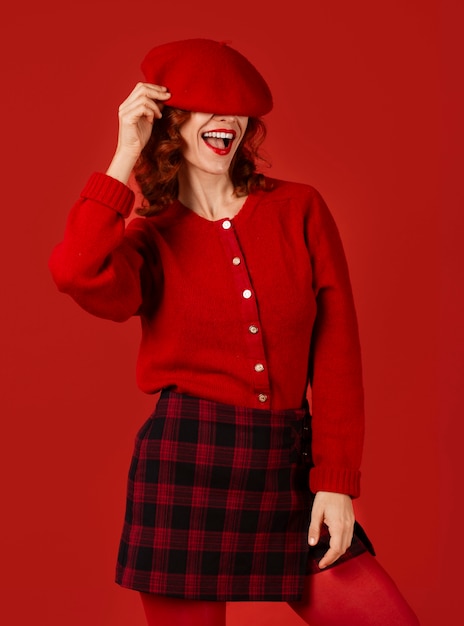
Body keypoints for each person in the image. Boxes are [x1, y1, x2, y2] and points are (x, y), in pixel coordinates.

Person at [49, 39, 420, 626]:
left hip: (289, 467)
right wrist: (122, 156)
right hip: (185, 472)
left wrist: (335, 480)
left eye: (238, 109)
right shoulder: (149, 240)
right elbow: (76, 270)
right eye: (205, 107)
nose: (226, 120)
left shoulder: (301, 210)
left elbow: (338, 353)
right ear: (168, 122)